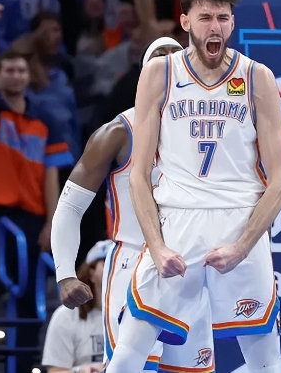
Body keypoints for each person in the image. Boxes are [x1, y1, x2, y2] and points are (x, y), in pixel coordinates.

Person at [108, 0, 281, 373]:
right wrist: (156, 247)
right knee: (127, 357)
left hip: (239, 224)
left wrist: (242, 247)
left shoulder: (257, 77)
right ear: (185, 21)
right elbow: (139, 175)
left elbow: (280, 180)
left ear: (233, 23)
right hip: (178, 224)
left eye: (223, 18)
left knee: (266, 364)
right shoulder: (159, 73)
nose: (215, 27)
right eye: (205, 17)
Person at [50, 37, 183, 373]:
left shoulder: (210, 133)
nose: (169, 64)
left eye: (176, 57)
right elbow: (70, 207)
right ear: (143, 73)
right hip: (133, 263)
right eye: (160, 57)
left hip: (189, 267)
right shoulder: (118, 132)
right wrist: (66, 274)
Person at [0, 3, 74, 373]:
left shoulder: (45, 120)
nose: (14, 76)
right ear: (0, 76)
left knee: (30, 296)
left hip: (30, 217)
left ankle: (26, 364)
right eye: (8, 70)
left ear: (29, 75)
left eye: (20, 70)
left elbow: (51, 177)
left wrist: (51, 224)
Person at [42, 241, 114, 373]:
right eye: (108, 263)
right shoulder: (66, 316)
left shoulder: (133, 313)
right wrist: (79, 371)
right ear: (91, 272)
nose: (115, 269)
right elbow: (55, 371)